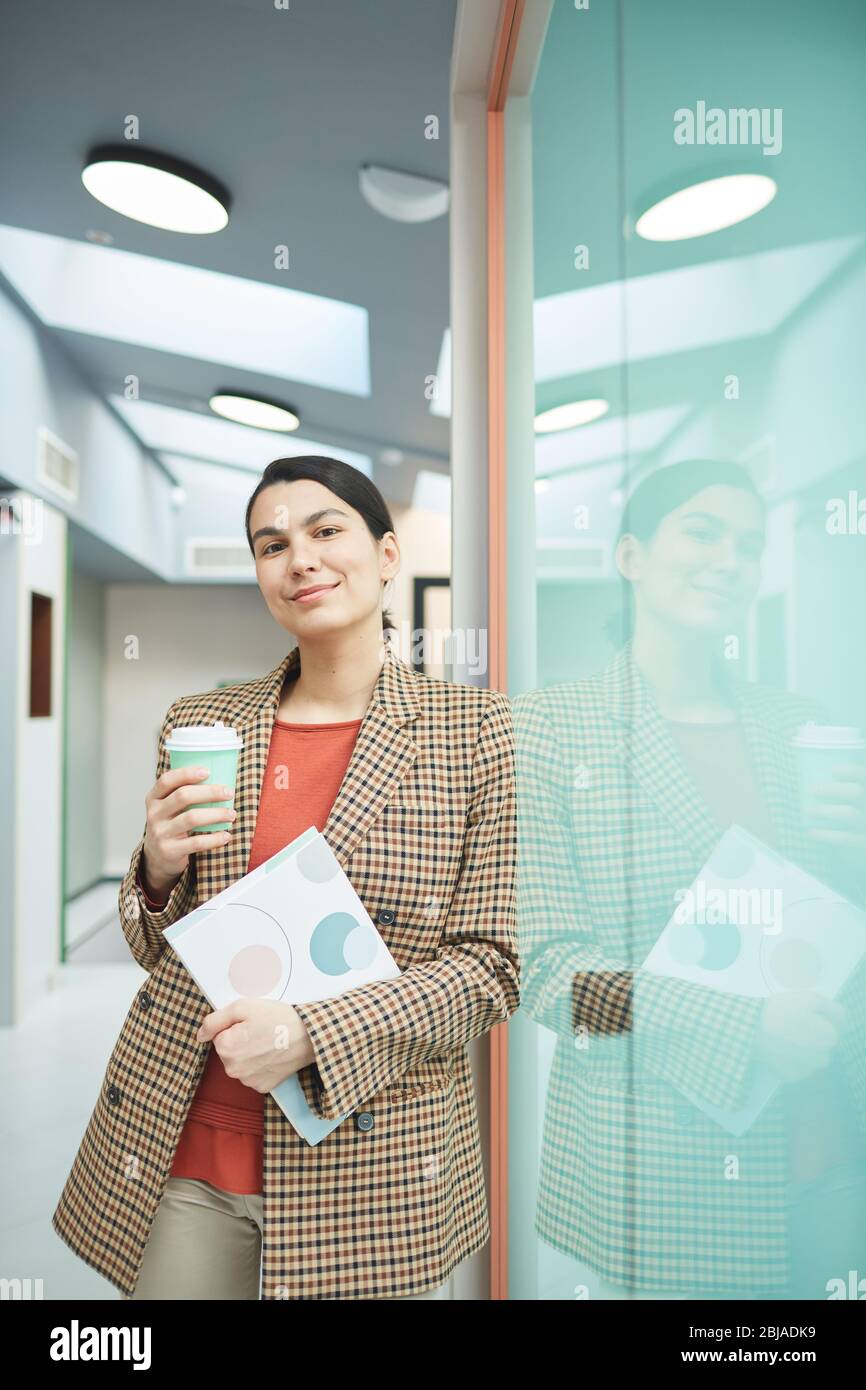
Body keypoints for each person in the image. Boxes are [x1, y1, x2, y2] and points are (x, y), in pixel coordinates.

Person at [52, 454, 520, 1300]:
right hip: (189, 1142)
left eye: (325, 530)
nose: (298, 557)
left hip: (373, 1153)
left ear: (385, 555)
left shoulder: (478, 734)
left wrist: (313, 1034)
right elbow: (154, 943)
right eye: (271, 545)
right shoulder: (202, 722)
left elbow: (492, 967)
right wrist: (155, 869)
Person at [513, 459, 866, 1299]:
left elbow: (835, 928)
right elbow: (549, 976)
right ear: (631, 557)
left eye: (749, 545)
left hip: (832, 1158)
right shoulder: (547, 731)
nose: (728, 560)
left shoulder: (803, 728)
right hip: (666, 1175)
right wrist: (743, 1027)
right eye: (702, 532)